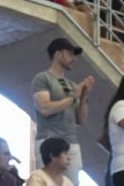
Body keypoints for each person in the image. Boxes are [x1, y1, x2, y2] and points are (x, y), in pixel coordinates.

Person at [32, 37, 93, 176]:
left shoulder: (72, 84)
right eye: (70, 53)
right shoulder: (42, 78)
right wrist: (73, 97)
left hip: (71, 142)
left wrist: (83, 96)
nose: (74, 58)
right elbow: (45, 109)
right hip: (50, 142)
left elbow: (81, 120)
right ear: (58, 54)